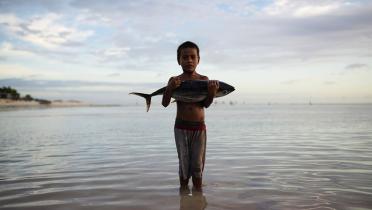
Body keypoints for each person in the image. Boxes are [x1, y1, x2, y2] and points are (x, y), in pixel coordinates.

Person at [162, 41, 219, 191]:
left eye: (193, 57)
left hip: (199, 128)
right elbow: (165, 103)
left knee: (197, 164)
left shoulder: (204, 80)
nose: (189, 60)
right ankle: (183, 193)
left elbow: (205, 104)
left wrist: (212, 93)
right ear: (178, 60)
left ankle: (198, 197)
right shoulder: (174, 80)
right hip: (181, 127)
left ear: (198, 60)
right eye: (185, 57)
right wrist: (170, 88)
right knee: (184, 163)